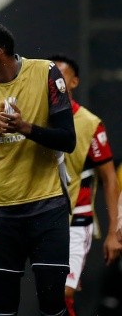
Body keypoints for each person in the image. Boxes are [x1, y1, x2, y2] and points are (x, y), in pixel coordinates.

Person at [0, 22, 76, 316]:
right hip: (0, 211)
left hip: (47, 206)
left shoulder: (45, 72)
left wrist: (26, 128)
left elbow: (68, 140)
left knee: (52, 302)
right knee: (3, 305)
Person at [48, 54, 122, 316]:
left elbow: (109, 178)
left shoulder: (89, 124)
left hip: (76, 220)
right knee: (48, 293)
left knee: (63, 291)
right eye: (50, 75)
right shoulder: (33, 116)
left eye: (61, 76)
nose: (54, 81)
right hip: (39, 218)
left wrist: (114, 231)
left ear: (75, 81)